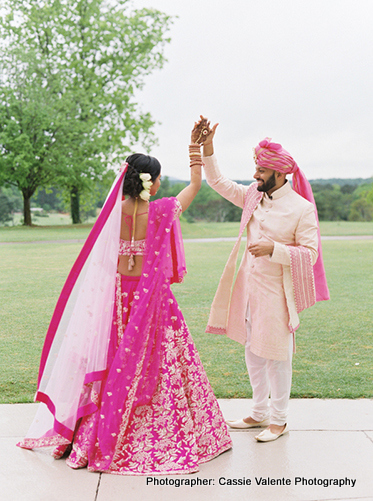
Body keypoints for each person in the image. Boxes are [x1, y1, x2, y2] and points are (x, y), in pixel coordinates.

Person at [17, 118, 232, 474]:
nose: (162, 183)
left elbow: (102, 266)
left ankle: (91, 434)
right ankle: (153, 428)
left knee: (110, 366)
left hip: (115, 302)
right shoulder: (163, 211)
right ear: (152, 181)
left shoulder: (111, 216)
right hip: (154, 302)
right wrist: (196, 146)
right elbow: (197, 183)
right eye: (159, 177)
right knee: (161, 369)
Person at [201, 121, 329, 442]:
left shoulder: (301, 209)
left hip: (278, 294)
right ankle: (258, 413)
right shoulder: (252, 197)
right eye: (255, 168)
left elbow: (310, 254)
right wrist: (207, 146)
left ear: (279, 173)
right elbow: (216, 181)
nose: (255, 175)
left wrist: (275, 249)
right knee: (252, 351)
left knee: (277, 355)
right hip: (248, 290)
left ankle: (280, 420)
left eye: (260, 170)